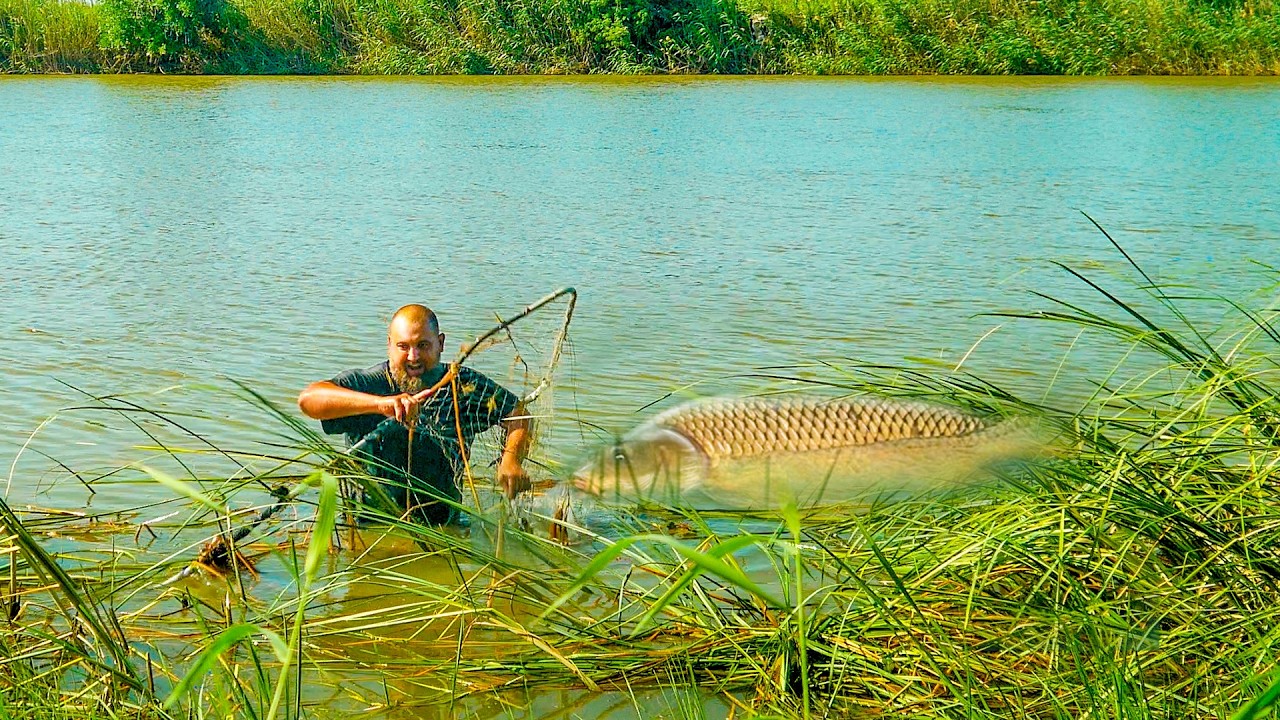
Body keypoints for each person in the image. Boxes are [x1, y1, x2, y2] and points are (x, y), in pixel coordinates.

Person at [298, 304, 530, 524]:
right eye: (403, 346)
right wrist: (379, 405)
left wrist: (511, 459)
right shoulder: (368, 383)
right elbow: (309, 399)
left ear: (440, 343)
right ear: (389, 345)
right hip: (369, 522)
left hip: (443, 522)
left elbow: (519, 415)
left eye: (423, 345)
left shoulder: (463, 385)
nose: (413, 357)